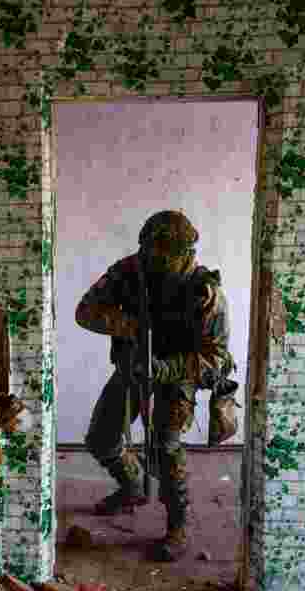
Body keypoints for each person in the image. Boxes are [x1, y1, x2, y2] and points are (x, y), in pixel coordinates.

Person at [75, 210, 236, 562]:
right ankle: (132, 486)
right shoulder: (128, 272)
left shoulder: (205, 294)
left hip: (177, 375)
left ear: (184, 254)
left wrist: (164, 369)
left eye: (164, 253)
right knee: (102, 437)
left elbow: (215, 357)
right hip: (134, 366)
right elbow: (85, 310)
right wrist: (128, 325)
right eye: (148, 251)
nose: (153, 259)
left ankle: (177, 523)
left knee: (166, 447)